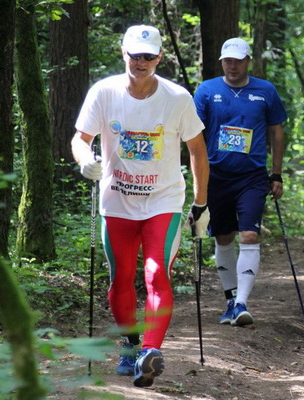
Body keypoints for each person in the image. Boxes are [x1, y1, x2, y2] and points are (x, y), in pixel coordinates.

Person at [71, 25, 210, 388]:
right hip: (116, 201)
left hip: (162, 201)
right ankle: (130, 344)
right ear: (124, 54)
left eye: (149, 56)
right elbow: (80, 138)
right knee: (120, 280)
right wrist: (85, 159)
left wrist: (201, 204)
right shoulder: (104, 92)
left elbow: (197, 150)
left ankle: (150, 351)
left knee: (155, 273)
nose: (142, 62)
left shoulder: (177, 98)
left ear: (160, 58)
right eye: (136, 55)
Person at [193, 38, 286, 327]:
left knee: (249, 235)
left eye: (238, 61)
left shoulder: (265, 91)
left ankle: (243, 303)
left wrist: (277, 174)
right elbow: (194, 136)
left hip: (252, 177)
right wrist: (197, 182)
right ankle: (230, 300)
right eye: (227, 61)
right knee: (223, 237)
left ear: (248, 61)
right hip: (216, 177)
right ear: (222, 62)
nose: (232, 66)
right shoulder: (207, 91)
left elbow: (277, 133)